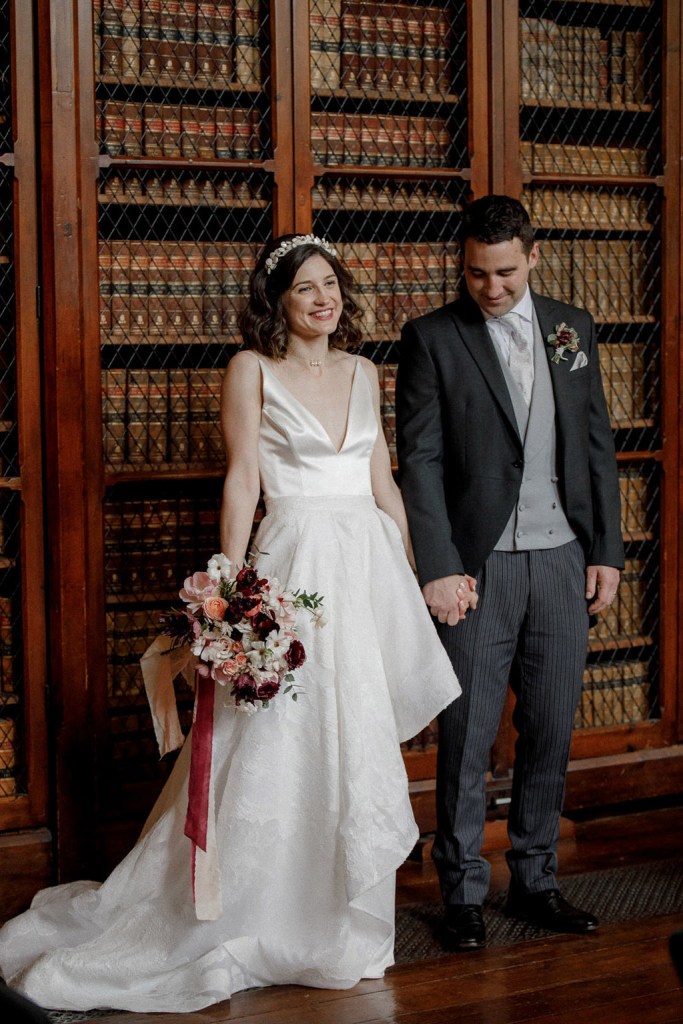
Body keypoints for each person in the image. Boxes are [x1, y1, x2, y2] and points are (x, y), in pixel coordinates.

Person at [0, 234, 461, 1013]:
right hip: (294, 561)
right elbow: (243, 476)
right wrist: (232, 587)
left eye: (331, 286)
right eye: (306, 288)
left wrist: (414, 578)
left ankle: (341, 922)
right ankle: (256, 913)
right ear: (276, 302)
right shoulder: (251, 369)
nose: (324, 299)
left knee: (354, 730)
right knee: (278, 734)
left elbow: (382, 480)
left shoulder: (360, 370)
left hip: (365, 568)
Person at [396, 195, 624, 951]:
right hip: (475, 567)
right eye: (474, 274)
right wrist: (438, 566)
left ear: (532, 255)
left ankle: (536, 882)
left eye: (502, 272)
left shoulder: (571, 329)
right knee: (465, 734)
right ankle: (460, 892)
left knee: (551, 726)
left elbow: (594, 446)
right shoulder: (430, 338)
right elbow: (419, 462)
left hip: (561, 560)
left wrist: (605, 552)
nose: (488, 288)